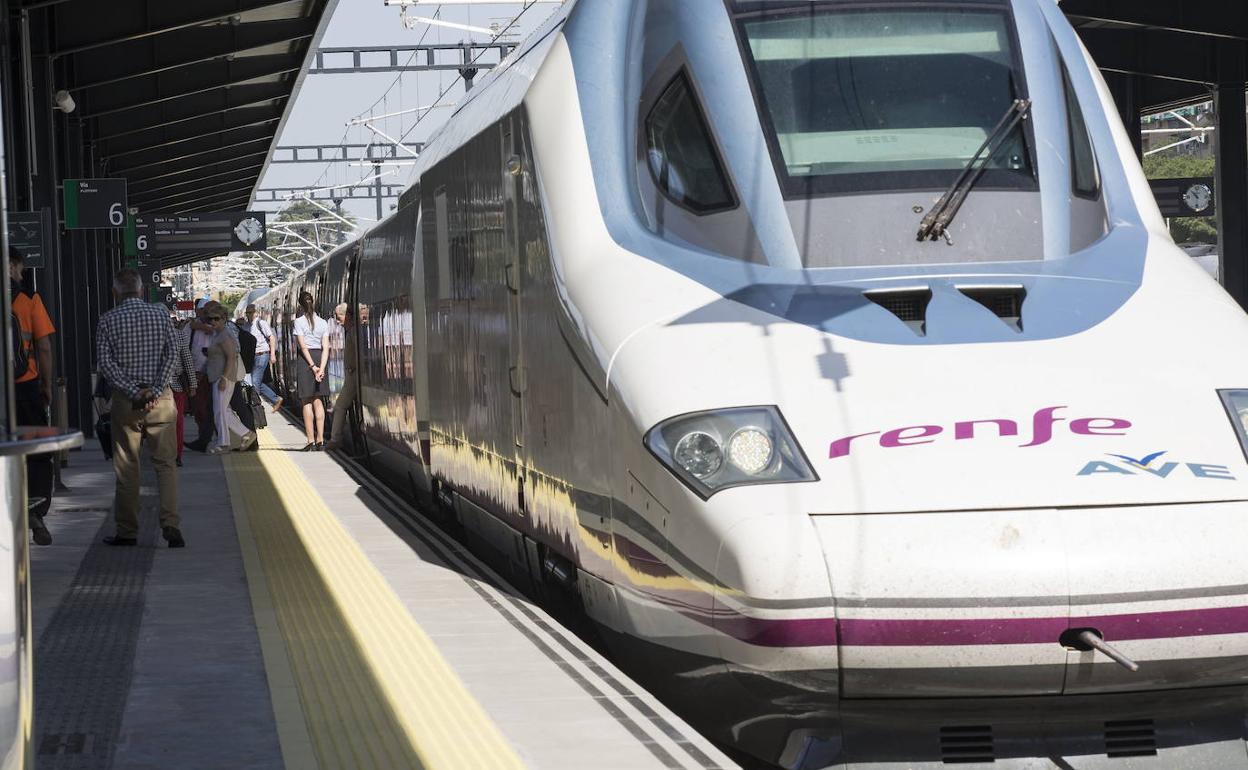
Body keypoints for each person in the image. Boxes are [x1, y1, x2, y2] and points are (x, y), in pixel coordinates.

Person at [95, 269, 184, 548]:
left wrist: (135, 392)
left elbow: (106, 365)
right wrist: (156, 390)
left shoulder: (107, 320)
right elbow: (174, 353)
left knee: (127, 466)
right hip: (161, 402)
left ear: (115, 293)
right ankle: (170, 524)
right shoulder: (160, 315)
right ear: (142, 290)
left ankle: (127, 531)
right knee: (166, 465)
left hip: (126, 402)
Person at [9, 248, 56, 545]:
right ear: (12, 266)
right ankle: (35, 508)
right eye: (20, 269)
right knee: (37, 450)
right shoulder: (28, 299)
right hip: (26, 387)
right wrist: (47, 385)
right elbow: (45, 348)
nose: (22, 274)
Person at [204, 308, 255, 455]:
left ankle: (224, 443)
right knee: (224, 410)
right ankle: (246, 433)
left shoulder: (225, 335)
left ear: (223, 319)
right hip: (218, 376)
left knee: (219, 411)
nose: (212, 321)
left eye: (216, 319)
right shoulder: (218, 334)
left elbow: (231, 357)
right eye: (210, 319)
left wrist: (225, 378)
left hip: (223, 378)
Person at [293, 291, 329, 451]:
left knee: (306, 401)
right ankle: (321, 439)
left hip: (305, 361)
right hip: (320, 357)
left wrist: (312, 367)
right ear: (313, 302)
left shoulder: (299, 322)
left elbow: (303, 346)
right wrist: (321, 367)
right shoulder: (323, 322)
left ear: (300, 304)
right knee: (318, 401)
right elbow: (326, 347)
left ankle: (310, 440)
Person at [326, 303, 359, 451]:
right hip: (352, 374)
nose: (337, 321)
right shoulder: (352, 331)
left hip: (353, 375)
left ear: (348, 316)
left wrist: (353, 367)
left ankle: (335, 439)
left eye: (338, 317)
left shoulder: (353, 332)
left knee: (339, 405)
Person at [185, 300, 215, 452]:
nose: (205, 314)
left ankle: (208, 438)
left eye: (207, 311)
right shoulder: (190, 328)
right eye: (202, 310)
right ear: (197, 311)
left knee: (216, 408)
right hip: (195, 374)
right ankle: (203, 437)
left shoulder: (217, 326)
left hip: (214, 374)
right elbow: (183, 348)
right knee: (199, 408)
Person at [169, 318, 197, 467]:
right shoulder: (179, 335)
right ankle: (177, 455)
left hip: (159, 388)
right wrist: (192, 385)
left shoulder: (148, 333)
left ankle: (166, 453)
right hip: (178, 386)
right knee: (178, 421)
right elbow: (187, 361)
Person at [243, 304, 282, 412]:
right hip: (252, 357)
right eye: (247, 313)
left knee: (255, 382)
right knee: (255, 382)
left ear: (256, 313)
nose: (249, 315)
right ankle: (275, 399)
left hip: (262, 354)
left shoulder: (261, 323)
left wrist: (272, 354)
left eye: (251, 312)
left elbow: (271, 337)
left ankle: (255, 406)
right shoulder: (246, 326)